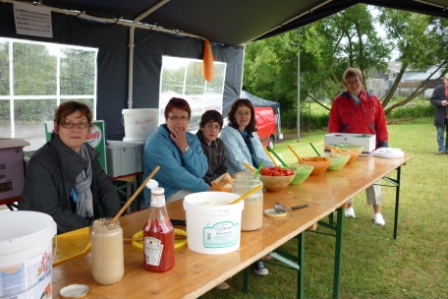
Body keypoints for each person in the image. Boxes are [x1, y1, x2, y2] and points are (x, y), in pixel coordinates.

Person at [19, 101, 121, 234]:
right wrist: (92, 228)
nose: (76, 129)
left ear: (88, 129)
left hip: (84, 230)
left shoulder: (88, 155)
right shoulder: (41, 161)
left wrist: (112, 222)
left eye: (82, 124)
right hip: (48, 236)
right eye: (68, 124)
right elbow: (51, 212)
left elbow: (106, 190)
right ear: (56, 127)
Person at [220, 98, 274, 276]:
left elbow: (261, 156)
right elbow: (237, 161)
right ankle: (255, 259)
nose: (244, 116)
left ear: (252, 116)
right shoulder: (228, 133)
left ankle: (261, 249)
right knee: (248, 220)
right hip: (238, 182)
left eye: (247, 113)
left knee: (260, 216)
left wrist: (274, 170)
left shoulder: (251, 133)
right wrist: (260, 176)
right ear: (233, 115)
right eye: (240, 112)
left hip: (255, 181)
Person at [328, 67, 389, 226]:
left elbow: (381, 124)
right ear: (345, 84)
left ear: (361, 81)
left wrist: (383, 145)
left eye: (355, 80)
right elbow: (333, 126)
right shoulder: (339, 102)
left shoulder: (373, 100)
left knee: (374, 181)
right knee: (347, 179)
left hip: (371, 148)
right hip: (346, 149)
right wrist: (334, 147)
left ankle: (377, 213)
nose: (353, 84)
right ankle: (349, 206)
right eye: (349, 82)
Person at [142, 97, 209, 206]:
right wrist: (206, 188)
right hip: (164, 195)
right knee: (205, 204)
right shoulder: (155, 142)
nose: (179, 122)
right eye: (173, 118)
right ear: (166, 119)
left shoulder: (192, 139)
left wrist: (185, 148)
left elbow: (200, 171)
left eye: (183, 118)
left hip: (190, 189)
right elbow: (175, 176)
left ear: (188, 120)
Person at [196, 110, 227, 185]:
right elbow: (194, 172)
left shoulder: (220, 143)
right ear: (201, 127)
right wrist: (210, 182)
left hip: (215, 183)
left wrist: (214, 180)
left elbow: (222, 169)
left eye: (216, 127)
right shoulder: (194, 143)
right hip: (198, 184)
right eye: (209, 126)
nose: (213, 130)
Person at [430, 73, 448, 155]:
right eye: (447, 80)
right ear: (444, 80)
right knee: (440, 133)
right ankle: (441, 149)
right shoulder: (438, 89)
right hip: (440, 115)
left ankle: (447, 149)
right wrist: (440, 103)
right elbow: (432, 100)